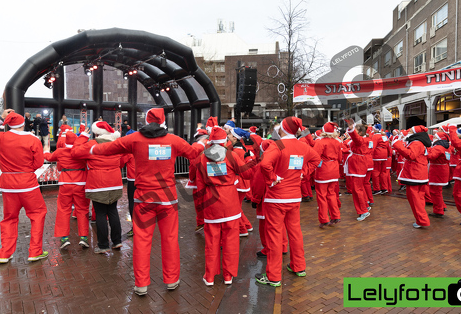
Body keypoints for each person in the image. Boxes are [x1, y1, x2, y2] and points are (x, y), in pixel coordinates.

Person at [91, 108, 204, 295]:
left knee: (142, 241)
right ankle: (171, 279)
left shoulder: (134, 139)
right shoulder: (173, 140)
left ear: (147, 120)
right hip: (167, 198)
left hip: (143, 198)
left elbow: (109, 148)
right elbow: (193, 153)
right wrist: (203, 143)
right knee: (169, 239)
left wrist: (92, 147)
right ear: (162, 121)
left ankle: (141, 284)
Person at [255, 117, 320, 287]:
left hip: (276, 197)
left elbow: (265, 164)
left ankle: (273, 276)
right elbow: (316, 159)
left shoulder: (279, 145)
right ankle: (299, 266)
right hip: (294, 196)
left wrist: (273, 178)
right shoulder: (302, 145)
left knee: (275, 236)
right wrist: (303, 173)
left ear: (283, 129)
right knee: (295, 232)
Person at [193, 127, 256, 286]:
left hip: (211, 203)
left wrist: (201, 208)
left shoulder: (202, 158)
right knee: (231, 241)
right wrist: (249, 160)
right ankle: (228, 276)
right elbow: (247, 174)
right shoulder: (231, 155)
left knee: (212, 242)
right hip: (230, 203)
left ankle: (210, 277)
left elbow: (199, 186)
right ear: (224, 141)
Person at [0, 110, 49, 263]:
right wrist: (27, 170)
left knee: (9, 219)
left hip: (7, 184)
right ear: (23, 124)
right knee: (38, 214)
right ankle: (35, 251)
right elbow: (39, 162)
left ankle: (4, 253)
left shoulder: (1, 138)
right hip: (27, 184)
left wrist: (1, 118)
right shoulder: (32, 139)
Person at [71, 121, 123, 253]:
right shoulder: (116, 144)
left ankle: (103, 245)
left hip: (97, 183)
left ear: (96, 132)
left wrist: (82, 136)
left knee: (100, 214)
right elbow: (122, 160)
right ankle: (117, 241)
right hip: (115, 182)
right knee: (113, 211)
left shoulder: (92, 145)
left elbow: (75, 152)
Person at [44, 131, 90, 249]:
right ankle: (84, 237)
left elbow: (49, 158)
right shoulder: (81, 151)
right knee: (82, 209)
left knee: (63, 209)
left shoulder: (60, 151)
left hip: (65, 183)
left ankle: (64, 237)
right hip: (80, 183)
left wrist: (45, 150)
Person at [392, 125, 432, 229]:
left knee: (415, 199)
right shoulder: (420, 142)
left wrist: (397, 145)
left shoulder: (416, 143)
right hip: (419, 173)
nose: (407, 132)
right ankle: (421, 219)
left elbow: (411, 155)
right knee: (419, 198)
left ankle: (422, 220)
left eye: (410, 130)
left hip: (414, 174)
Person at [313, 122, 342, 227]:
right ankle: (335, 215)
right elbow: (340, 158)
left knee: (321, 196)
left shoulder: (320, 142)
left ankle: (324, 218)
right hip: (334, 169)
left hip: (323, 171)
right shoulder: (337, 142)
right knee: (332, 194)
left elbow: (315, 157)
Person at [344, 119, 371, 221]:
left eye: (356, 129)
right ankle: (364, 206)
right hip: (357, 164)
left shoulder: (361, 140)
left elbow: (355, 138)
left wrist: (351, 129)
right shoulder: (363, 139)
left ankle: (363, 210)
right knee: (358, 188)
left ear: (359, 132)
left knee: (357, 189)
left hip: (358, 165)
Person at [427, 131, 450, 218]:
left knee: (435, 191)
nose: (433, 138)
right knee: (438, 191)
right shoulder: (445, 147)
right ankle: (441, 206)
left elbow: (431, 157)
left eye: (435, 137)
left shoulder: (438, 147)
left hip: (437, 171)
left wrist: (428, 149)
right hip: (442, 170)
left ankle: (438, 210)